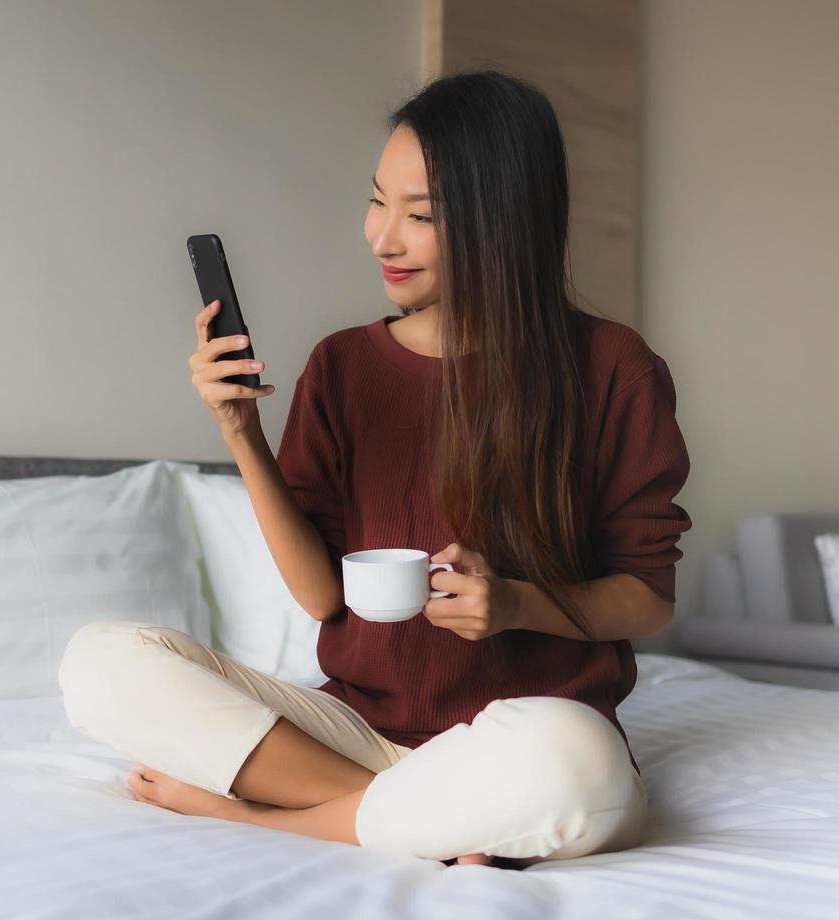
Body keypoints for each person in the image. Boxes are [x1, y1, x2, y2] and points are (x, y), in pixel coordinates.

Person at [58, 70, 692, 868]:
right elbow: (323, 596)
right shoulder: (344, 366)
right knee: (100, 662)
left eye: (420, 215)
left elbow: (646, 597)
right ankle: (424, 812)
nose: (380, 236)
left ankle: (260, 815)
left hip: (522, 731)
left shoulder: (612, 368)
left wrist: (520, 604)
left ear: (506, 225)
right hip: (355, 732)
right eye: (377, 200)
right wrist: (243, 434)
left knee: (579, 766)